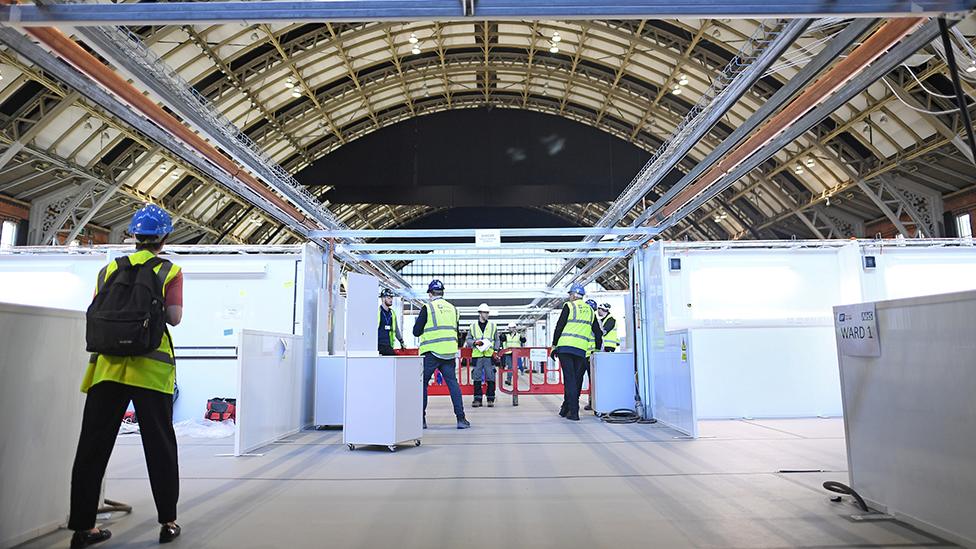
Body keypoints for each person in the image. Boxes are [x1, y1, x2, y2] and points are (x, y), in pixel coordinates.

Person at [69, 204, 183, 548]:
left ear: (133, 236)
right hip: (150, 370)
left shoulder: (107, 270)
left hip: (107, 369)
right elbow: (175, 318)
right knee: (160, 446)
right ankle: (168, 522)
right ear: (163, 237)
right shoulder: (170, 270)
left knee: (92, 447)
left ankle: (83, 528)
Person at [414, 279, 470, 429]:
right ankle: (461, 419)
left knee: (422, 384)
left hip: (431, 353)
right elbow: (456, 332)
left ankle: (421, 420)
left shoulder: (428, 307)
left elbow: (416, 331)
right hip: (449, 353)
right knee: (453, 384)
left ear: (431, 294)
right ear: (442, 292)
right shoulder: (453, 309)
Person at [550, 283, 602, 421]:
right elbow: (597, 332)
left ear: (573, 295)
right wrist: (596, 350)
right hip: (581, 350)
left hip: (565, 348)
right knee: (575, 380)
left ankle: (574, 412)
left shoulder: (569, 306)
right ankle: (565, 409)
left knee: (570, 380)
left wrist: (554, 345)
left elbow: (559, 326)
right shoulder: (591, 311)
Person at [465, 303, 499, 407]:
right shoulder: (473, 326)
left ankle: (490, 399)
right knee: (477, 377)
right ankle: (477, 399)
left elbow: (497, 340)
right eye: (485, 312)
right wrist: (475, 342)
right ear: (480, 313)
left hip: (489, 355)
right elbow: (468, 339)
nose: (487, 314)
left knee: (491, 377)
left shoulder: (493, 326)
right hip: (477, 355)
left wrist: (496, 350)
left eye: (488, 312)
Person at [377, 288, 405, 356]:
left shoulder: (392, 313)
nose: (391, 300)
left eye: (391, 298)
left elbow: (396, 329)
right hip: (378, 346)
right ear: (383, 299)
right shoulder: (377, 312)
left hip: (389, 345)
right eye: (389, 298)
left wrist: (401, 341)